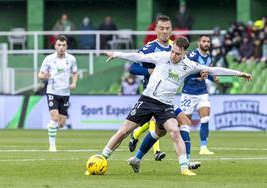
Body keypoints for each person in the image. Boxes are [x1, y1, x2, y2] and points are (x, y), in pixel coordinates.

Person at [98, 37, 251, 176]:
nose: (173, 55)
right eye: (173, 51)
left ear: (184, 53)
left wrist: (238, 73)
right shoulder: (162, 57)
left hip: (165, 105)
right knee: (124, 131)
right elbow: (139, 57)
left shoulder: (190, 65)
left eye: (177, 53)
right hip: (147, 100)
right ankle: (102, 157)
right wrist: (116, 54)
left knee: (174, 131)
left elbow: (213, 70)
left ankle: (184, 167)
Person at [128, 15, 173, 161]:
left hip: (167, 92)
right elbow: (132, 67)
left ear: (171, 30)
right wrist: (149, 71)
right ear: (156, 30)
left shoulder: (175, 47)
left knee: (158, 124)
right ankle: (157, 151)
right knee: (156, 121)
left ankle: (135, 134)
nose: (165, 31)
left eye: (167, 28)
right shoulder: (150, 48)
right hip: (151, 92)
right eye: (162, 28)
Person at [179, 35, 218, 160]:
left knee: (205, 118)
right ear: (199, 43)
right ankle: (184, 149)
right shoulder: (192, 56)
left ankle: (204, 147)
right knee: (185, 124)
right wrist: (198, 77)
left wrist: (213, 77)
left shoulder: (208, 57)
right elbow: (185, 75)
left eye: (208, 41)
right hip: (188, 94)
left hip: (202, 93)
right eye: (204, 41)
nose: (206, 43)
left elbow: (206, 73)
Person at [38, 35, 78, 152]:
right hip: (52, 91)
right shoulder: (49, 59)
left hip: (65, 93)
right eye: (59, 45)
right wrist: (43, 76)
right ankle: (52, 146)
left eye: (63, 45)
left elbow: (75, 72)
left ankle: (51, 126)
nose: (61, 47)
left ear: (66, 46)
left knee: (61, 123)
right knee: (54, 117)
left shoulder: (71, 59)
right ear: (55, 46)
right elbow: (39, 75)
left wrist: (74, 82)